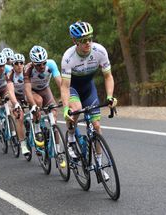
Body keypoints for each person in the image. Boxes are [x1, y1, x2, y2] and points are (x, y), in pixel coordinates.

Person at [60, 21, 117, 180]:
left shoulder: (99, 51)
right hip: (73, 89)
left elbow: (108, 76)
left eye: (90, 39)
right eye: (83, 40)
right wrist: (65, 108)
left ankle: (98, 165)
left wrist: (110, 96)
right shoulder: (68, 57)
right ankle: (71, 138)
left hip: (89, 88)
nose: (88, 43)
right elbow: (64, 87)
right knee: (76, 108)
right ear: (75, 41)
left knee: (97, 126)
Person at [24, 45, 62, 149]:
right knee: (38, 102)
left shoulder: (51, 64)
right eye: (38, 65)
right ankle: (37, 128)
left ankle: (58, 150)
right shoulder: (28, 69)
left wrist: (65, 96)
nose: (42, 66)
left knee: (54, 118)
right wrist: (33, 105)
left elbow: (60, 82)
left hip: (45, 89)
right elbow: (27, 89)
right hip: (32, 91)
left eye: (44, 63)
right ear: (33, 63)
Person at [6, 53, 30, 155]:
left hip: (27, 95)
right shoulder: (10, 75)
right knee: (19, 117)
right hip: (16, 97)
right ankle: (23, 144)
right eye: (16, 63)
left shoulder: (28, 72)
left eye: (21, 63)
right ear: (13, 65)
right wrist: (15, 104)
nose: (19, 65)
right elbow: (11, 92)